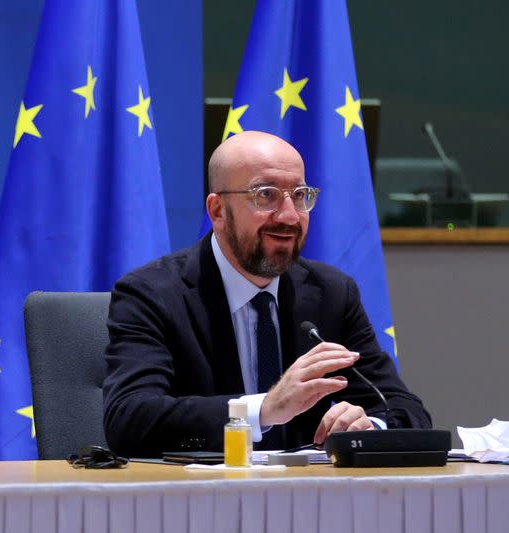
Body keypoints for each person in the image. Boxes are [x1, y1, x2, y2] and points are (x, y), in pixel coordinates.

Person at [103, 131, 431, 457]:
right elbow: (130, 420)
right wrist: (262, 410)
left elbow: (405, 410)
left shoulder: (331, 293)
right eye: (266, 195)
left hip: (308, 501)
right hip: (199, 500)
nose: (290, 216)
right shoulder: (153, 294)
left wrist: (370, 427)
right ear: (217, 210)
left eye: (300, 195)